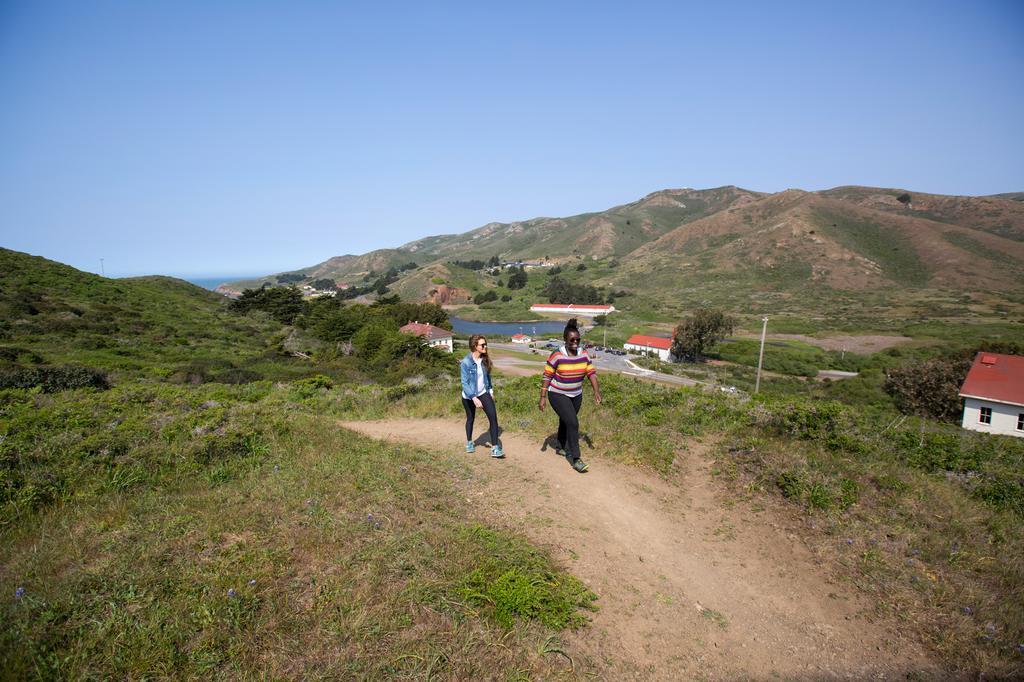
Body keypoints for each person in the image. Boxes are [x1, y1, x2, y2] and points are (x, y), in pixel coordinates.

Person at [539, 318, 601, 472]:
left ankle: (560, 446)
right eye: (572, 339)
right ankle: (576, 458)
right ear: (565, 340)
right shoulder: (557, 355)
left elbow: (591, 373)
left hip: (576, 394)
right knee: (573, 423)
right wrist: (543, 397)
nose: (575, 342)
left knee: (566, 421)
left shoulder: (584, 353)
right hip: (558, 394)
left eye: (578, 339)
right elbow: (547, 376)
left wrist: (596, 391)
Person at [460, 334, 504, 458]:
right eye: (482, 345)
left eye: (485, 344)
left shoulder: (484, 360)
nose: (485, 346)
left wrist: (490, 391)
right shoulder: (466, 362)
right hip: (469, 396)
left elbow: (487, 377)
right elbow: (465, 383)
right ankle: (469, 442)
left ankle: (495, 447)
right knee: (470, 418)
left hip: (483, 393)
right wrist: (474, 398)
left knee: (493, 417)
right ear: (475, 346)